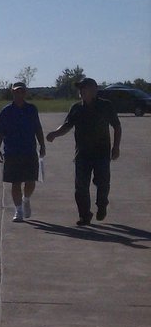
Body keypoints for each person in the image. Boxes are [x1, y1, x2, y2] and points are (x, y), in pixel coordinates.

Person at [46, 77, 122, 226]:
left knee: (102, 183)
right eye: (80, 88)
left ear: (94, 90)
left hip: (101, 152)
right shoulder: (76, 108)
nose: (81, 91)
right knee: (80, 186)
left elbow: (117, 127)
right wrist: (54, 134)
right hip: (82, 154)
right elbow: (67, 126)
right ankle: (84, 215)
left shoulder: (105, 106)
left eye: (84, 88)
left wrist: (116, 147)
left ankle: (101, 204)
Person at [0, 82, 45, 222]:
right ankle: (18, 210)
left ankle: (26, 199)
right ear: (13, 92)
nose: (19, 94)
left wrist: (42, 145)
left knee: (31, 181)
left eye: (21, 91)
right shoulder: (6, 111)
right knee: (15, 182)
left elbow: (38, 128)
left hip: (29, 150)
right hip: (12, 151)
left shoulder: (31, 109)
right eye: (16, 91)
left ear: (25, 93)